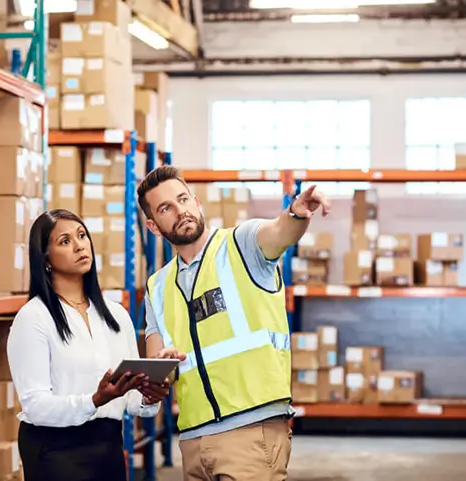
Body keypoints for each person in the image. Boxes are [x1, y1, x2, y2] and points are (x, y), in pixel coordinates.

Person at [137, 166, 331, 480]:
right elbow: (157, 368)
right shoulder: (157, 287)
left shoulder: (240, 245)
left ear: (197, 202)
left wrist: (295, 214)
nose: (180, 210)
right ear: (153, 226)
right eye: (165, 208)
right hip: (192, 440)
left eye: (183, 199)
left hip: (251, 430)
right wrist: (157, 374)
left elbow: (278, 232)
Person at [7, 209, 172, 481]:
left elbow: (130, 399)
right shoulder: (33, 318)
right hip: (55, 451)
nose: (79, 245)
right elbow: (35, 405)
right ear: (45, 259)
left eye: (82, 236)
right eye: (65, 241)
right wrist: (94, 400)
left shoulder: (116, 315)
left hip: (107, 446)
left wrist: (148, 394)